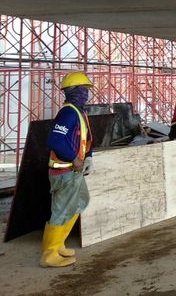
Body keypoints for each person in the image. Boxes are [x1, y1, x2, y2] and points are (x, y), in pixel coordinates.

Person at [41, 71, 95, 268]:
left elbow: (86, 139)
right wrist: (74, 159)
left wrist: (88, 157)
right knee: (61, 211)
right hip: (64, 171)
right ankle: (49, 253)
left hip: (74, 171)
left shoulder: (80, 112)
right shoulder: (69, 112)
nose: (86, 94)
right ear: (74, 91)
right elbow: (55, 140)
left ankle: (59, 245)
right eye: (84, 89)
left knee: (81, 201)